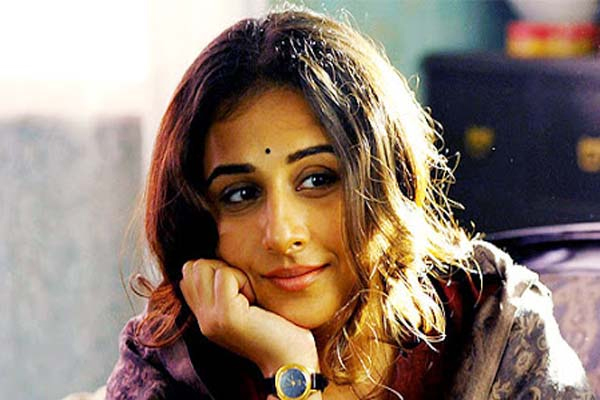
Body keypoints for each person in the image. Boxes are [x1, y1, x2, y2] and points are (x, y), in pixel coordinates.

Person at [106, 7, 594, 400]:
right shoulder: (170, 360)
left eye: (318, 180)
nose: (282, 234)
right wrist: (289, 371)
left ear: (385, 180)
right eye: (241, 194)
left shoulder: (493, 323)